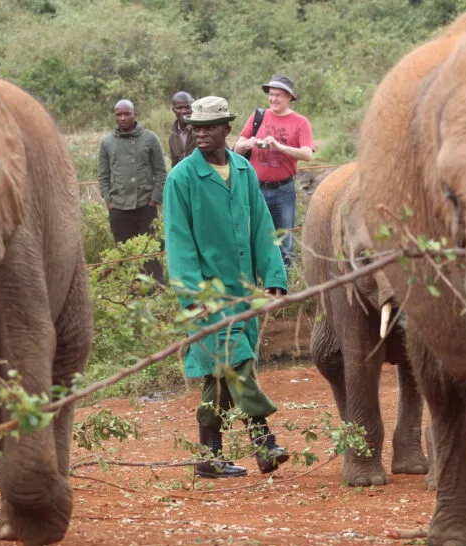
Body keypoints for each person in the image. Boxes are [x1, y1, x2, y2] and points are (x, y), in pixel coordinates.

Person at [163, 95, 290, 479]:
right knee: (237, 362)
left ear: (225, 129)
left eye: (208, 126)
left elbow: (262, 229)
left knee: (219, 375)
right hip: (206, 296)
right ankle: (263, 440)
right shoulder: (181, 178)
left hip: (242, 291)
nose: (199, 133)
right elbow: (179, 244)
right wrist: (193, 299)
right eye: (194, 127)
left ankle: (209, 456)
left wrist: (273, 279)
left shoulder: (244, 171)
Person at [233, 75, 315, 268]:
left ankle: (286, 283)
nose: (273, 99)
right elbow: (237, 148)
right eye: (271, 95)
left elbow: (307, 154)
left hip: (283, 190)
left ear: (288, 97)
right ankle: (255, 278)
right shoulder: (258, 117)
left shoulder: (300, 122)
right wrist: (247, 143)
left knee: (284, 239)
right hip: (255, 188)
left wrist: (280, 147)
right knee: (253, 234)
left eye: (278, 95)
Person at [98, 99, 167, 281]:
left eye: (127, 113)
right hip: (119, 207)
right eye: (118, 114)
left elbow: (160, 171)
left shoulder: (149, 138)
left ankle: (155, 287)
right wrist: (109, 201)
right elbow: (103, 175)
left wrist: (154, 200)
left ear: (135, 114)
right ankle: (132, 288)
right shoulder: (107, 142)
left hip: (146, 204)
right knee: (125, 251)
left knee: (151, 249)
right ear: (114, 116)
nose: (123, 118)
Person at [167, 91, 197, 166]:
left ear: (193, 107)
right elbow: (174, 162)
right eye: (179, 108)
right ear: (173, 110)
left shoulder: (201, 128)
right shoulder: (173, 134)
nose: (184, 111)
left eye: (187, 107)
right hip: (184, 176)